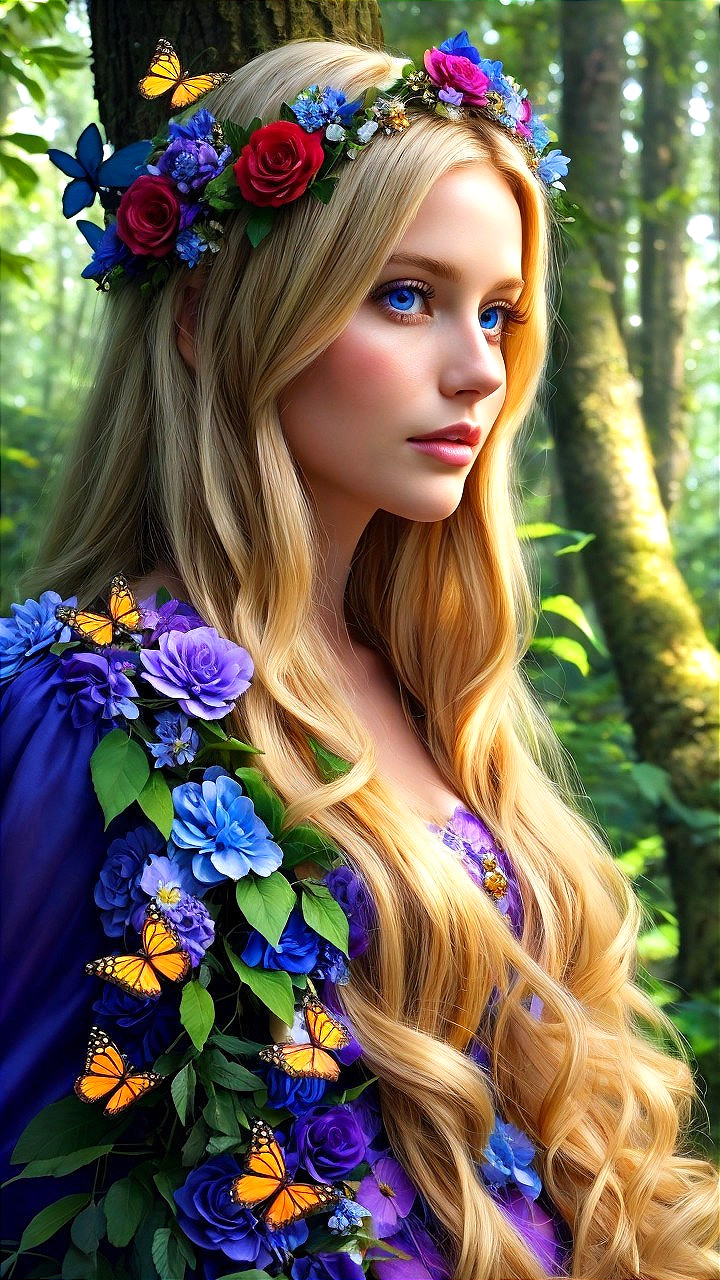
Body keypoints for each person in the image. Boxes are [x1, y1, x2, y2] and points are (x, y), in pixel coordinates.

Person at [1, 31, 718, 1280]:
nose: (479, 367)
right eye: (406, 295)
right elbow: (25, 1182)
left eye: (497, 312)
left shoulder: (433, 684)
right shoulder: (83, 709)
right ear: (210, 315)